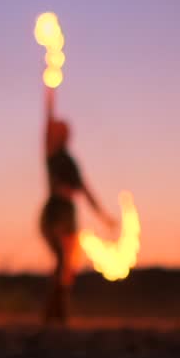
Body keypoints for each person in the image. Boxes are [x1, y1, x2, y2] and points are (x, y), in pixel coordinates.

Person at [40, 85, 116, 325]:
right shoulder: (52, 154)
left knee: (69, 265)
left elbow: (86, 190)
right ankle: (54, 314)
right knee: (62, 259)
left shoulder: (72, 162)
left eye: (66, 131)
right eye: (60, 131)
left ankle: (59, 313)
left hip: (69, 213)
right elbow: (47, 122)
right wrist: (50, 94)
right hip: (55, 211)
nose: (64, 134)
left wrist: (104, 217)